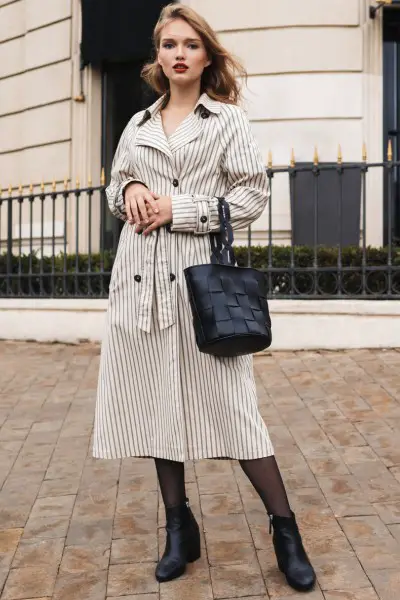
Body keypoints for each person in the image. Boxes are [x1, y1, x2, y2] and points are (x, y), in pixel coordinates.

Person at [93, 2, 316, 593]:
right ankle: (178, 529)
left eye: (191, 44)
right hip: (140, 286)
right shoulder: (138, 125)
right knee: (156, 413)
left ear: (206, 55)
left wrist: (179, 208)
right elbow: (115, 190)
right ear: (157, 56)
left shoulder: (227, 122)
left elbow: (250, 197)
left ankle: (285, 530)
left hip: (198, 288)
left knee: (239, 416)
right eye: (169, 44)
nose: (179, 54)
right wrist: (135, 186)